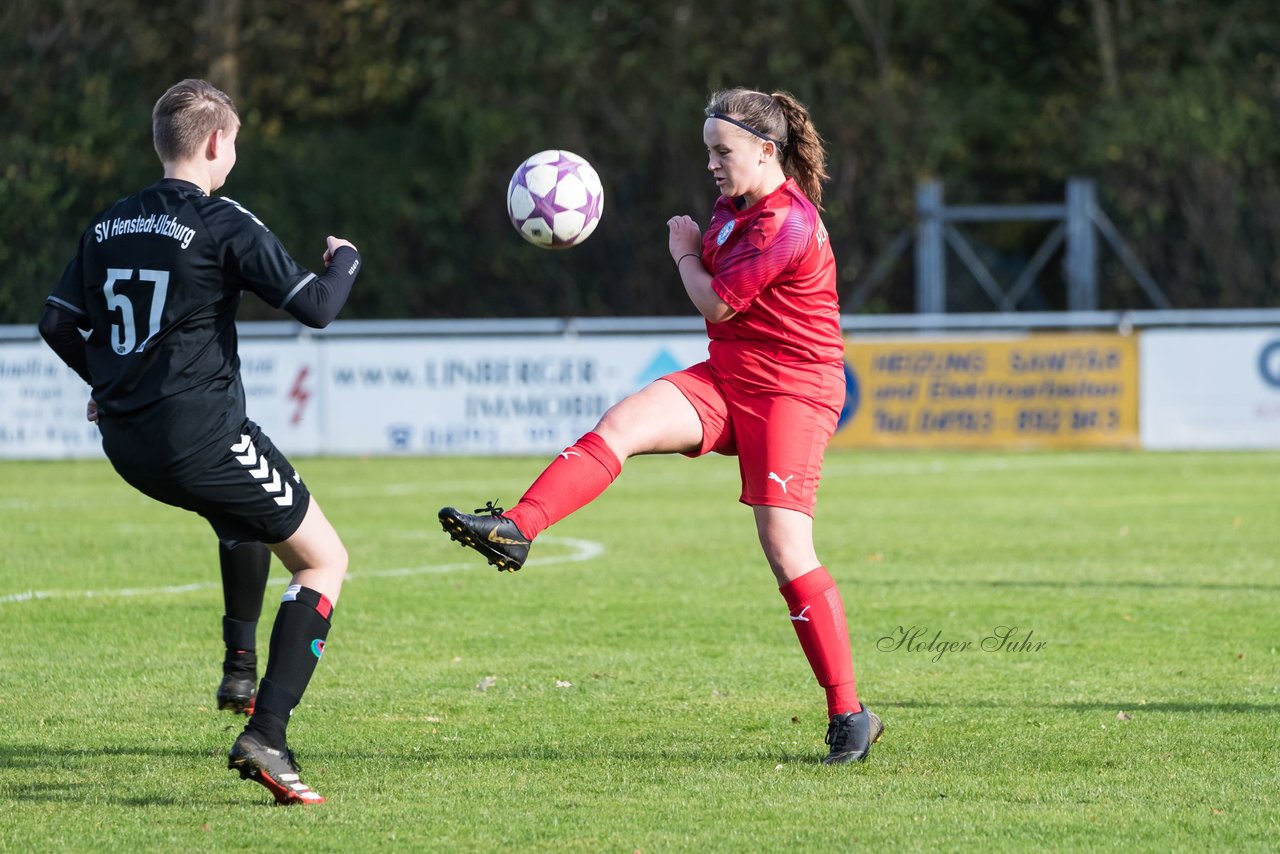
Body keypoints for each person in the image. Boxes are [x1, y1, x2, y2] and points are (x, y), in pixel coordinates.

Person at [440, 87, 882, 764]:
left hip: (794, 390)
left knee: (785, 546)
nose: (711, 162)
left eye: (721, 150)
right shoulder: (733, 208)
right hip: (730, 376)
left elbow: (716, 301)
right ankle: (518, 528)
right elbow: (724, 313)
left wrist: (682, 250)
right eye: (708, 149)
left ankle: (850, 713)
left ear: (766, 151)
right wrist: (697, 242)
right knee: (620, 425)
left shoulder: (785, 222)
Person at [39, 79, 362, 804]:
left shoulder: (110, 221)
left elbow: (58, 323)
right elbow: (316, 307)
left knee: (243, 516)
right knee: (324, 561)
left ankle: (240, 665)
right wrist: (346, 259)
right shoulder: (222, 220)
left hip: (129, 445)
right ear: (218, 142)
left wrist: (107, 380)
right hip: (201, 438)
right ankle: (266, 735)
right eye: (236, 141)